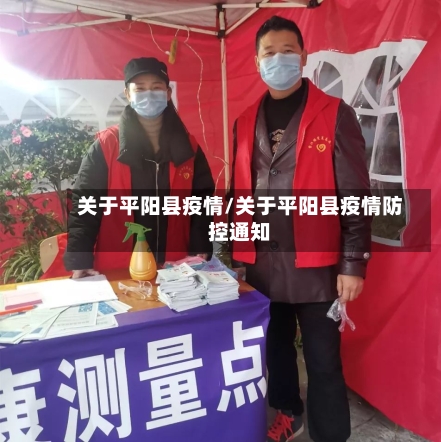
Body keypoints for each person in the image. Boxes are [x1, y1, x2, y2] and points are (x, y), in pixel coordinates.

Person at [228, 16, 372, 442]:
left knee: (323, 360)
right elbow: (239, 191)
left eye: (287, 51)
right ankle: (289, 412)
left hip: (317, 266)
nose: (279, 59)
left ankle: (330, 434)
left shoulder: (335, 113)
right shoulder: (244, 121)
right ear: (257, 62)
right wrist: (235, 256)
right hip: (262, 265)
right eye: (269, 53)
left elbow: (355, 194)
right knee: (275, 351)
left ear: (304, 56)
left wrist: (353, 263)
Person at [64, 57, 214, 278]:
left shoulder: (188, 146)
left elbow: (202, 201)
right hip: (120, 266)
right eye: (140, 89)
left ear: (168, 93)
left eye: (156, 87)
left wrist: (201, 244)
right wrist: (80, 258)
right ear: (128, 94)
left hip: (176, 266)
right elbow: (86, 203)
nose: (149, 95)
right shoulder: (107, 145)